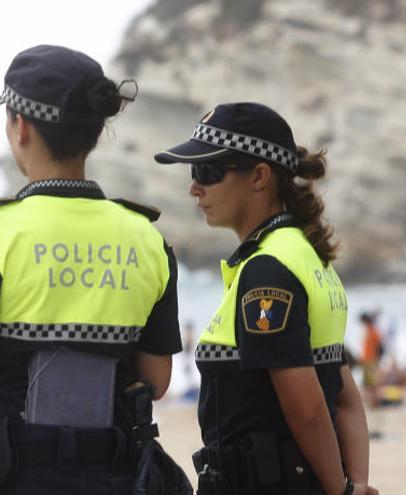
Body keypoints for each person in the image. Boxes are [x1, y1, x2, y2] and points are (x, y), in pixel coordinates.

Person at [0, 44, 188, 494]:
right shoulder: (147, 239)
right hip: (111, 477)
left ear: (20, 126)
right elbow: (157, 381)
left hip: (3, 476)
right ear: (96, 132)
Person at [154, 102, 377, 495]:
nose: (194, 187)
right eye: (193, 173)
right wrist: (355, 483)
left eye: (208, 172)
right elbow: (345, 396)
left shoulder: (266, 271)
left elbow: (306, 408)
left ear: (259, 176)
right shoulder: (310, 258)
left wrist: (341, 492)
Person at [359, 312, 383, 408]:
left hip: (371, 360)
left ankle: (375, 403)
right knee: (368, 384)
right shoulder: (369, 330)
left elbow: (379, 347)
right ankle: (373, 404)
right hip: (367, 360)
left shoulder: (373, 331)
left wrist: (376, 360)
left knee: (373, 383)